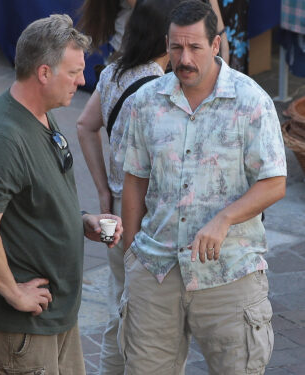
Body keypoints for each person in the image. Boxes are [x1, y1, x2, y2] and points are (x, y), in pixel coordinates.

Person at [120, 1, 287, 373]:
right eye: (177, 47)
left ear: (215, 45)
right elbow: (134, 180)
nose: (185, 58)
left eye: (195, 47)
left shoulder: (251, 101)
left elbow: (275, 182)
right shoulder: (146, 102)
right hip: (155, 274)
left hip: (229, 275)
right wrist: (132, 255)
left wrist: (224, 219)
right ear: (166, 43)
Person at [0, 14, 123, 375]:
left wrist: (83, 222)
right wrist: (15, 293)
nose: (83, 81)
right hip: (21, 331)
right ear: (44, 73)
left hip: (54, 321)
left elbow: (34, 200)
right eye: (74, 72)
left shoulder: (40, 116)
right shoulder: (2, 139)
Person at [76, 0, 176, 373]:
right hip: (149, 219)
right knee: (151, 323)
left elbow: (85, 126)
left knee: (119, 309)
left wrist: (104, 189)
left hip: (116, 211)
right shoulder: (161, 87)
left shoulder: (114, 72)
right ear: (166, 39)